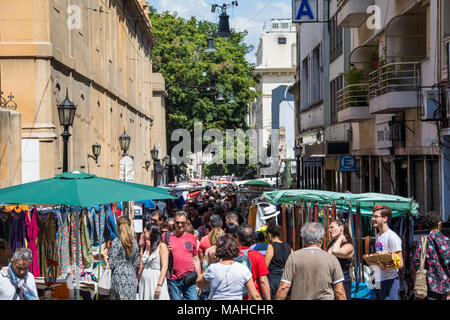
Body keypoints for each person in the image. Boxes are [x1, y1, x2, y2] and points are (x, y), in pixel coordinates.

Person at [275, 222, 346, 300]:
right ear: (321, 239)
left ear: (304, 239)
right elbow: (339, 291)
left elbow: (284, 287)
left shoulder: (293, 257)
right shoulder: (331, 259)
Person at [196, 234, 262, 300]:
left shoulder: (213, 268)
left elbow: (200, 284)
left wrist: (210, 264)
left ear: (218, 249)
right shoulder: (243, 269)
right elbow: (255, 296)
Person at [367, 205, 403, 300]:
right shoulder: (378, 235)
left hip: (390, 281)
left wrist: (385, 267)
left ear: (385, 218)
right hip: (379, 279)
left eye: (376, 216)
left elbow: (400, 264)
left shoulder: (392, 237)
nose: (373, 219)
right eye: (373, 216)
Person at [412, 211, 450, 300]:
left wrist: (423, 274)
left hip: (429, 286)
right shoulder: (447, 241)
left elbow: (416, 261)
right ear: (440, 224)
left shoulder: (423, 240)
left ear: (428, 225)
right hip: (446, 286)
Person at [165, 211, 201, 300]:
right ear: (174, 222)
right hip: (173, 279)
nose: (180, 225)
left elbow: (196, 260)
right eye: (177, 222)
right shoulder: (166, 236)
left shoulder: (192, 237)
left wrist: (199, 281)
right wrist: (165, 249)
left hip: (189, 279)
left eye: (182, 223)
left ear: (186, 223)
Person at [108, 216, 140, 300]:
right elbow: (135, 263)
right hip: (131, 276)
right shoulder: (134, 243)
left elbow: (112, 264)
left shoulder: (116, 242)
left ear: (118, 226)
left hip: (119, 276)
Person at [236, 224, 271, 300]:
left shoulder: (232, 256)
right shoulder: (258, 256)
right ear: (253, 239)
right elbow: (263, 281)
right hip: (254, 296)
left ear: (237, 239)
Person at [138, 225, 170, 300]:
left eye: (145, 232)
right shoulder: (148, 247)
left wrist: (159, 285)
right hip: (145, 281)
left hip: (155, 279)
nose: (143, 234)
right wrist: (138, 279)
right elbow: (143, 265)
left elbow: (164, 267)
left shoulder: (162, 246)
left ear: (151, 232)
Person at [327, 219, 354, 300]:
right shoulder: (332, 243)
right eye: (329, 228)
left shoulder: (348, 246)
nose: (329, 230)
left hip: (342, 283)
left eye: (332, 227)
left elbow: (335, 251)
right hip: (331, 281)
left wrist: (340, 238)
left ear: (341, 228)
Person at [264, 221, 292, 299]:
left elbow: (265, 266)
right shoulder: (288, 246)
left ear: (269, 235)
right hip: (287, 279)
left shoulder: (271, 246)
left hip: (274, 280)